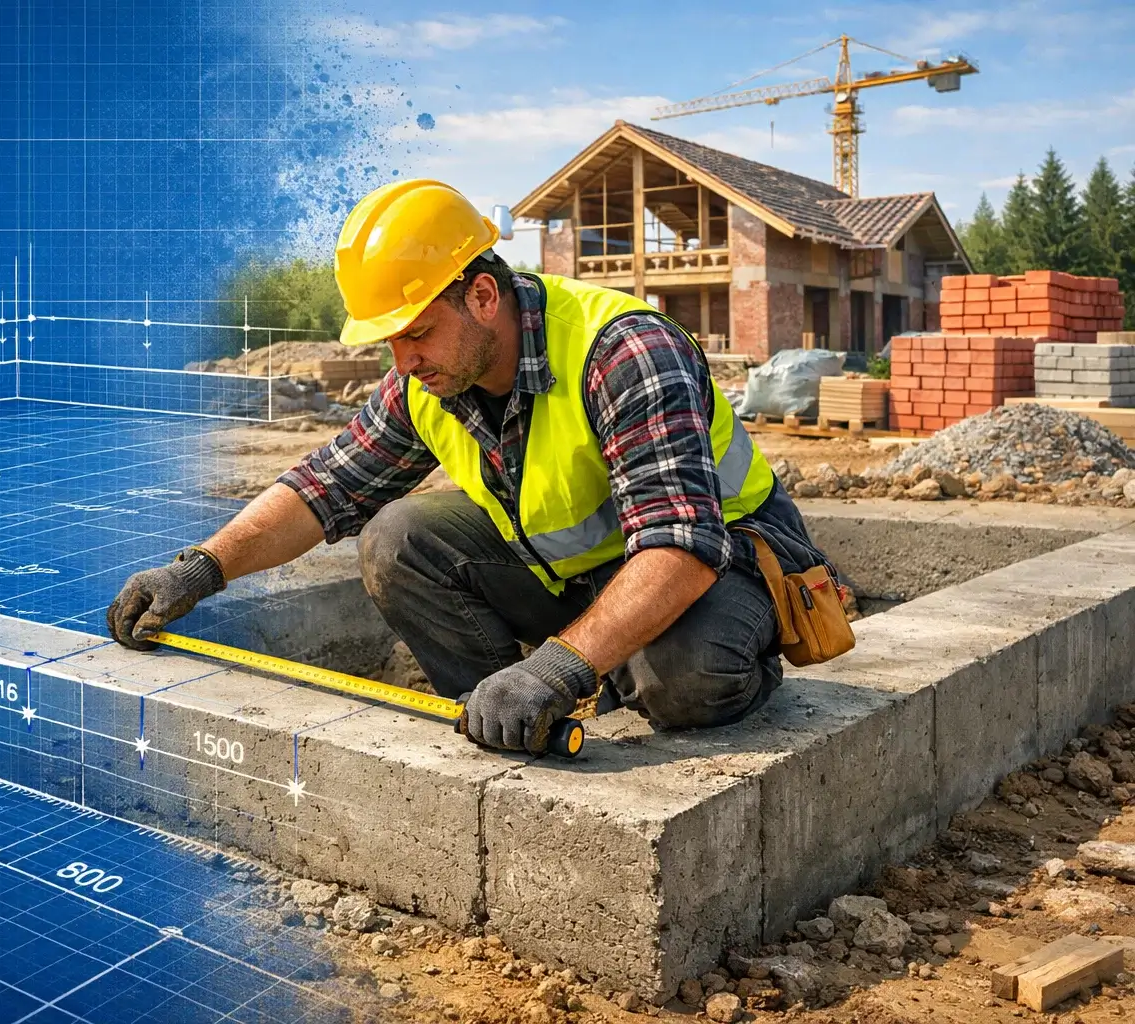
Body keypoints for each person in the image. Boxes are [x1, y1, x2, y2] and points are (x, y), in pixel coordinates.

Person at [108, 179, 835, 755]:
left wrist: (557, 666)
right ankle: (502, 713)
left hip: (724, 560)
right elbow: (323, 487)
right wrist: (201, 568)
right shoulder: (427, 378)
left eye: (418, 334)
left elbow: (681, 546)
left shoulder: (623, 351)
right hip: (582, 570)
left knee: (683, 678)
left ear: (482, 296)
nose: (404, 362)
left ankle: (630, 673)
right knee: (398, 538)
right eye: (390, 342)